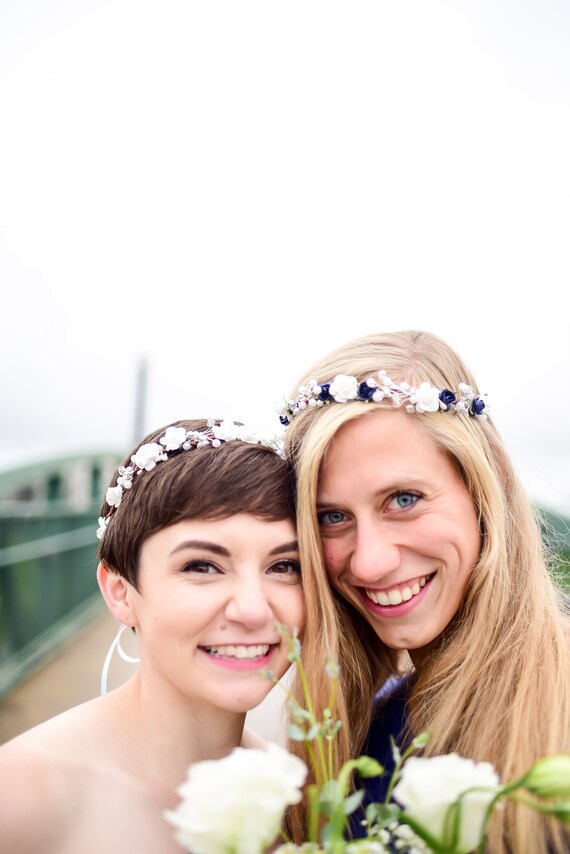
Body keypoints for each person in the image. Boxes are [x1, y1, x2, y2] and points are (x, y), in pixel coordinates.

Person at [279, 330, 570, 853]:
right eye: (332, 517)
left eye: (404, 499)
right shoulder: (358, 730)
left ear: (483, 490)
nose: (369, 561)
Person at [0, 418, 304, 854]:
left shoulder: (299, 798)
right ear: (120, 592)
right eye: (202, 566)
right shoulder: (23, 796)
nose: (253, 610)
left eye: (284, 566)